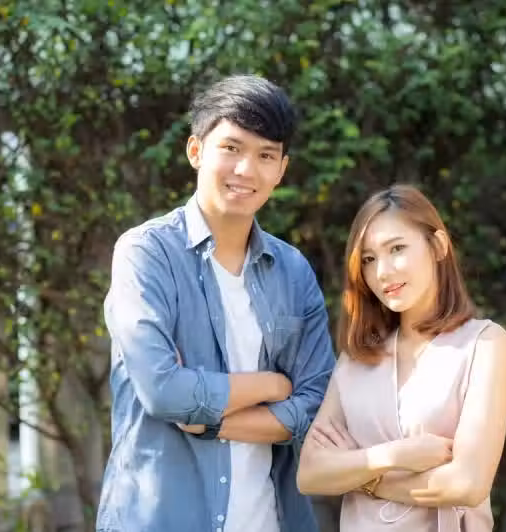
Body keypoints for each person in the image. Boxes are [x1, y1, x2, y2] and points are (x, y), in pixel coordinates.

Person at [95, 75, 336, 532]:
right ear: (196, 151)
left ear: (281, 169)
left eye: (265, 155)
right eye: (231, 148)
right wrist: (271, 384)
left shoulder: (293, 271)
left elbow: (316, 405)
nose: (246, 169)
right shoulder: (146, 253)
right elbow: (164, 392)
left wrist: (208, 421)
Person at [297, 184, 506, 532]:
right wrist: (393, 457)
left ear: (438, 246)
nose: (382, 272)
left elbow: (467, 484)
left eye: (396, 248)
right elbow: (310, 474)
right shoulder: (356, 359)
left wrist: (362, 478)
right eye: (368, 259)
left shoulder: (485, 344)